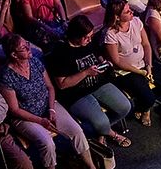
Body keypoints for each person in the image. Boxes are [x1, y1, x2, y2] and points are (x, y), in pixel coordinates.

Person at [0, 33, 111, 169]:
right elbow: (14, 109)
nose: (29, 48)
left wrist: (51, 109)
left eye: (27, 44)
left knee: (76, 130)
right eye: (24, 47)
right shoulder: (6, 76)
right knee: (47, 142)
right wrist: (40, 120)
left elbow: (50, 88)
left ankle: (92, 168)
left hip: (47, 107)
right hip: (26, 117)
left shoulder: (35, 62)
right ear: (14, 54)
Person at [46, 14, 134, 146]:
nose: (89, 39)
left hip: (98, 83)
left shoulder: (88, 43)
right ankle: (111, 133)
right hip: (76, 94)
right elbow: (62, 84)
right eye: (86, 37)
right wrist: (86, 72)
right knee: (101, 122)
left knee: (126, 106)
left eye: (90, 36)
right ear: (75, 36)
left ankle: (101, 131)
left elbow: (97, 55)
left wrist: (104, 63)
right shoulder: (61, 52)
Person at [101, 0, 157, 125]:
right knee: (149, 98)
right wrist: (140, 72)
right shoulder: (110, 34)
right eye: (127, 11)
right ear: (117, 17)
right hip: (126, 71)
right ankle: (144, 108)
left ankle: (144, 104)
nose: (132, 12)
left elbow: (146, 44)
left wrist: (148, 65)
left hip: (143, 65)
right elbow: (116, 61)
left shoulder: (136, 21)